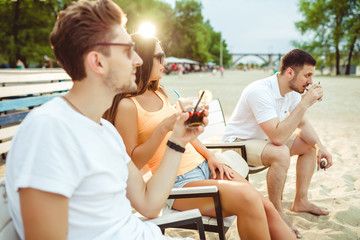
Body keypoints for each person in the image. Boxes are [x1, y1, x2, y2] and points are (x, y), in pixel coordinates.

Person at [5, 0, 205, 239]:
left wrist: (178, 141)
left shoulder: (106, 130)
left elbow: (149, 204)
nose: (139, 61)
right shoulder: (49, 130)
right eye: (128, 51)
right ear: (98, 62)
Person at [103, 33, 296, 240]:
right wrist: (162, 130)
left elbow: (188, 137)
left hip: (204, 165)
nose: (165, 62)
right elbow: (132, 162)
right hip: (176, 183)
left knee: (266, 206)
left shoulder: (159, 92)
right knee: (249, 198)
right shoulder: (127, 105)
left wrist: (211, 157)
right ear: (141, 59)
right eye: (159, 56)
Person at [221, 49, 333, 239]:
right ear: (290, 72)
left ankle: (301, 200)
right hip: (236, 146)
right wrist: (304, 103)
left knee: (308, 145)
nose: (311, 82)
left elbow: (302, 123)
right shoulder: (260, 91)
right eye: (307, 75)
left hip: (262, 141)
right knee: (280, 152)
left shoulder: (290, 91)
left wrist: (320, 146)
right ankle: (276, 211)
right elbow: (278, 138)